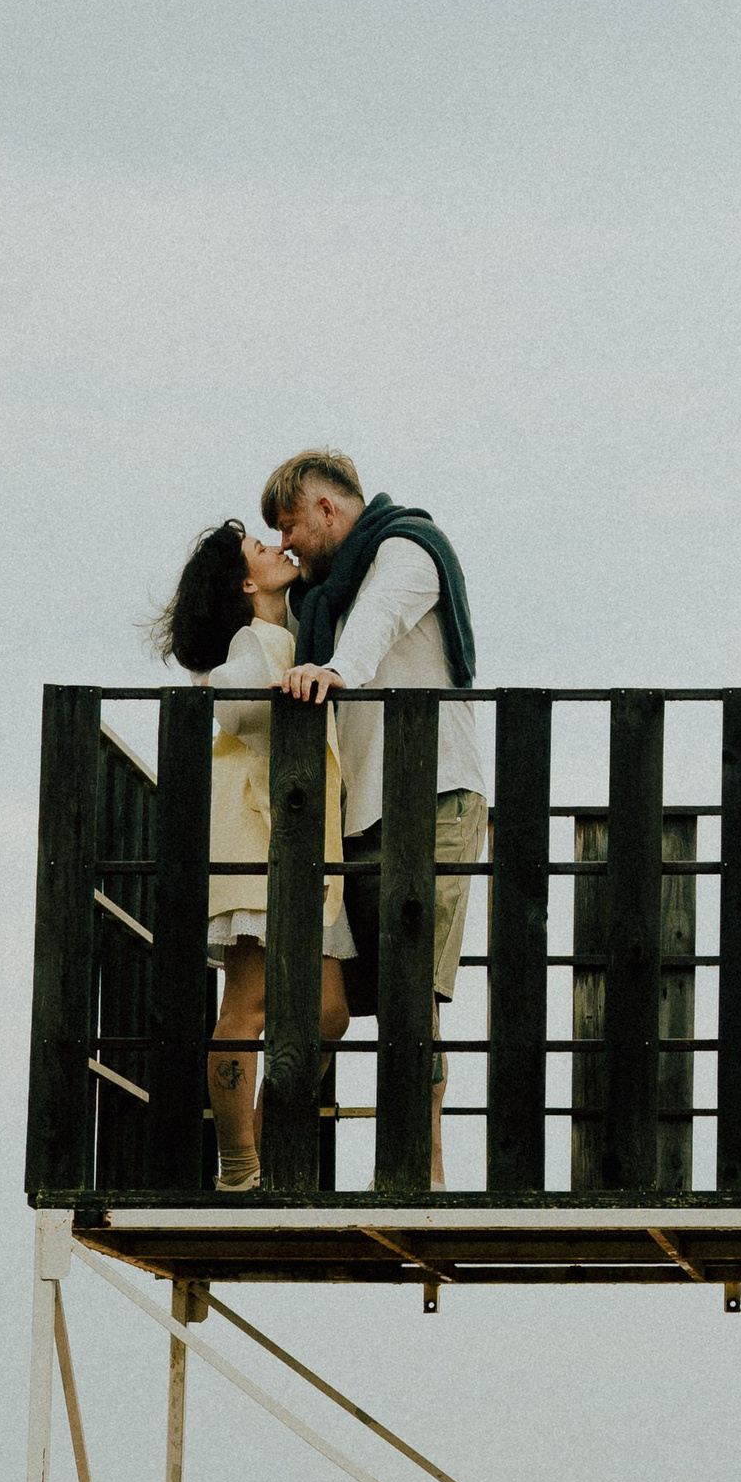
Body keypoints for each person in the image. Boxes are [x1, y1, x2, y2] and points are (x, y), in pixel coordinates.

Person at [260, 451, 486, 1188]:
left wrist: (334, 672)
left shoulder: (406, 548)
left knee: (408, 994)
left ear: (327, 509)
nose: (287, 543)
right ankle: (279, 1169)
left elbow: (377, 626)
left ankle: (420, 1174)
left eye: (290, 525)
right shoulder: (324, 595)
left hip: (433, 798)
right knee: (343, 994)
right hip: (360, 813)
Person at [149, 521, 353, 1191]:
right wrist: (234, 689)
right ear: (245, 582)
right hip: (259, 839)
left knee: (328, 1011)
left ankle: (260, 1143)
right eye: (261, 550)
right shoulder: (254, 643)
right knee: (249, 1001)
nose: (278, 548)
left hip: (305, 850)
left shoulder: (292, 635)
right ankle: (238, 1162)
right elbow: (227, 697)